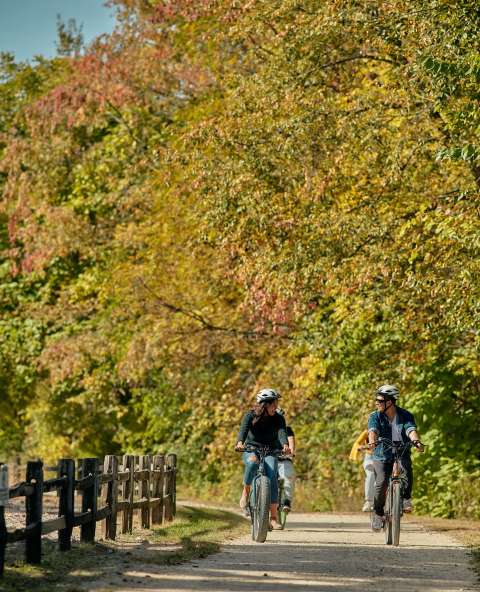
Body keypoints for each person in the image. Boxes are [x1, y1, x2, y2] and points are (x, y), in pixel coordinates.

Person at [368, 384, 424, 531]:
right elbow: (372, 430)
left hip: (401, 450)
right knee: (381, 482)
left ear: (390, 402)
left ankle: (406, 498)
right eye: (377, 400)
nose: (377, 403)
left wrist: (416, 442)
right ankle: (378, 514)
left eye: (380, 400)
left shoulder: (405, 415)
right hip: (381, 453)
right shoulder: (375, 416)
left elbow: (411, 429)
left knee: (406, 468)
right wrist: (372, 441)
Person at [235, 388, 290, 530]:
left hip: (270, 450)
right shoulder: (250, 415)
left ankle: (273, 518)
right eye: (274, 404)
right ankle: (246, 493)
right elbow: (243, 429)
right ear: (265, 404)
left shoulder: (278, 418)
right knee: (253, 463)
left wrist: (285, 445)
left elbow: (282, 432)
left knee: (272, 474)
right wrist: (240, 443)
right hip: (251, 448)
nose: (276, 406)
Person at [349, 429, 375, 512]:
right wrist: (360, 447)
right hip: (370, 457)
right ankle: (369, 502)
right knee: (371, 475)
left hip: (385, 457)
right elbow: (357, 443)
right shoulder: (367, 432)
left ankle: (396, 501)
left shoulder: (388, 428)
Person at [276, 408, 296, 511]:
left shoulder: (287, 430)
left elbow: (291, 442)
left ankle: (287, 501)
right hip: (269, 457)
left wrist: (290, 452)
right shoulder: (265, 429)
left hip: (283, 459)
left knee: (289, 477)